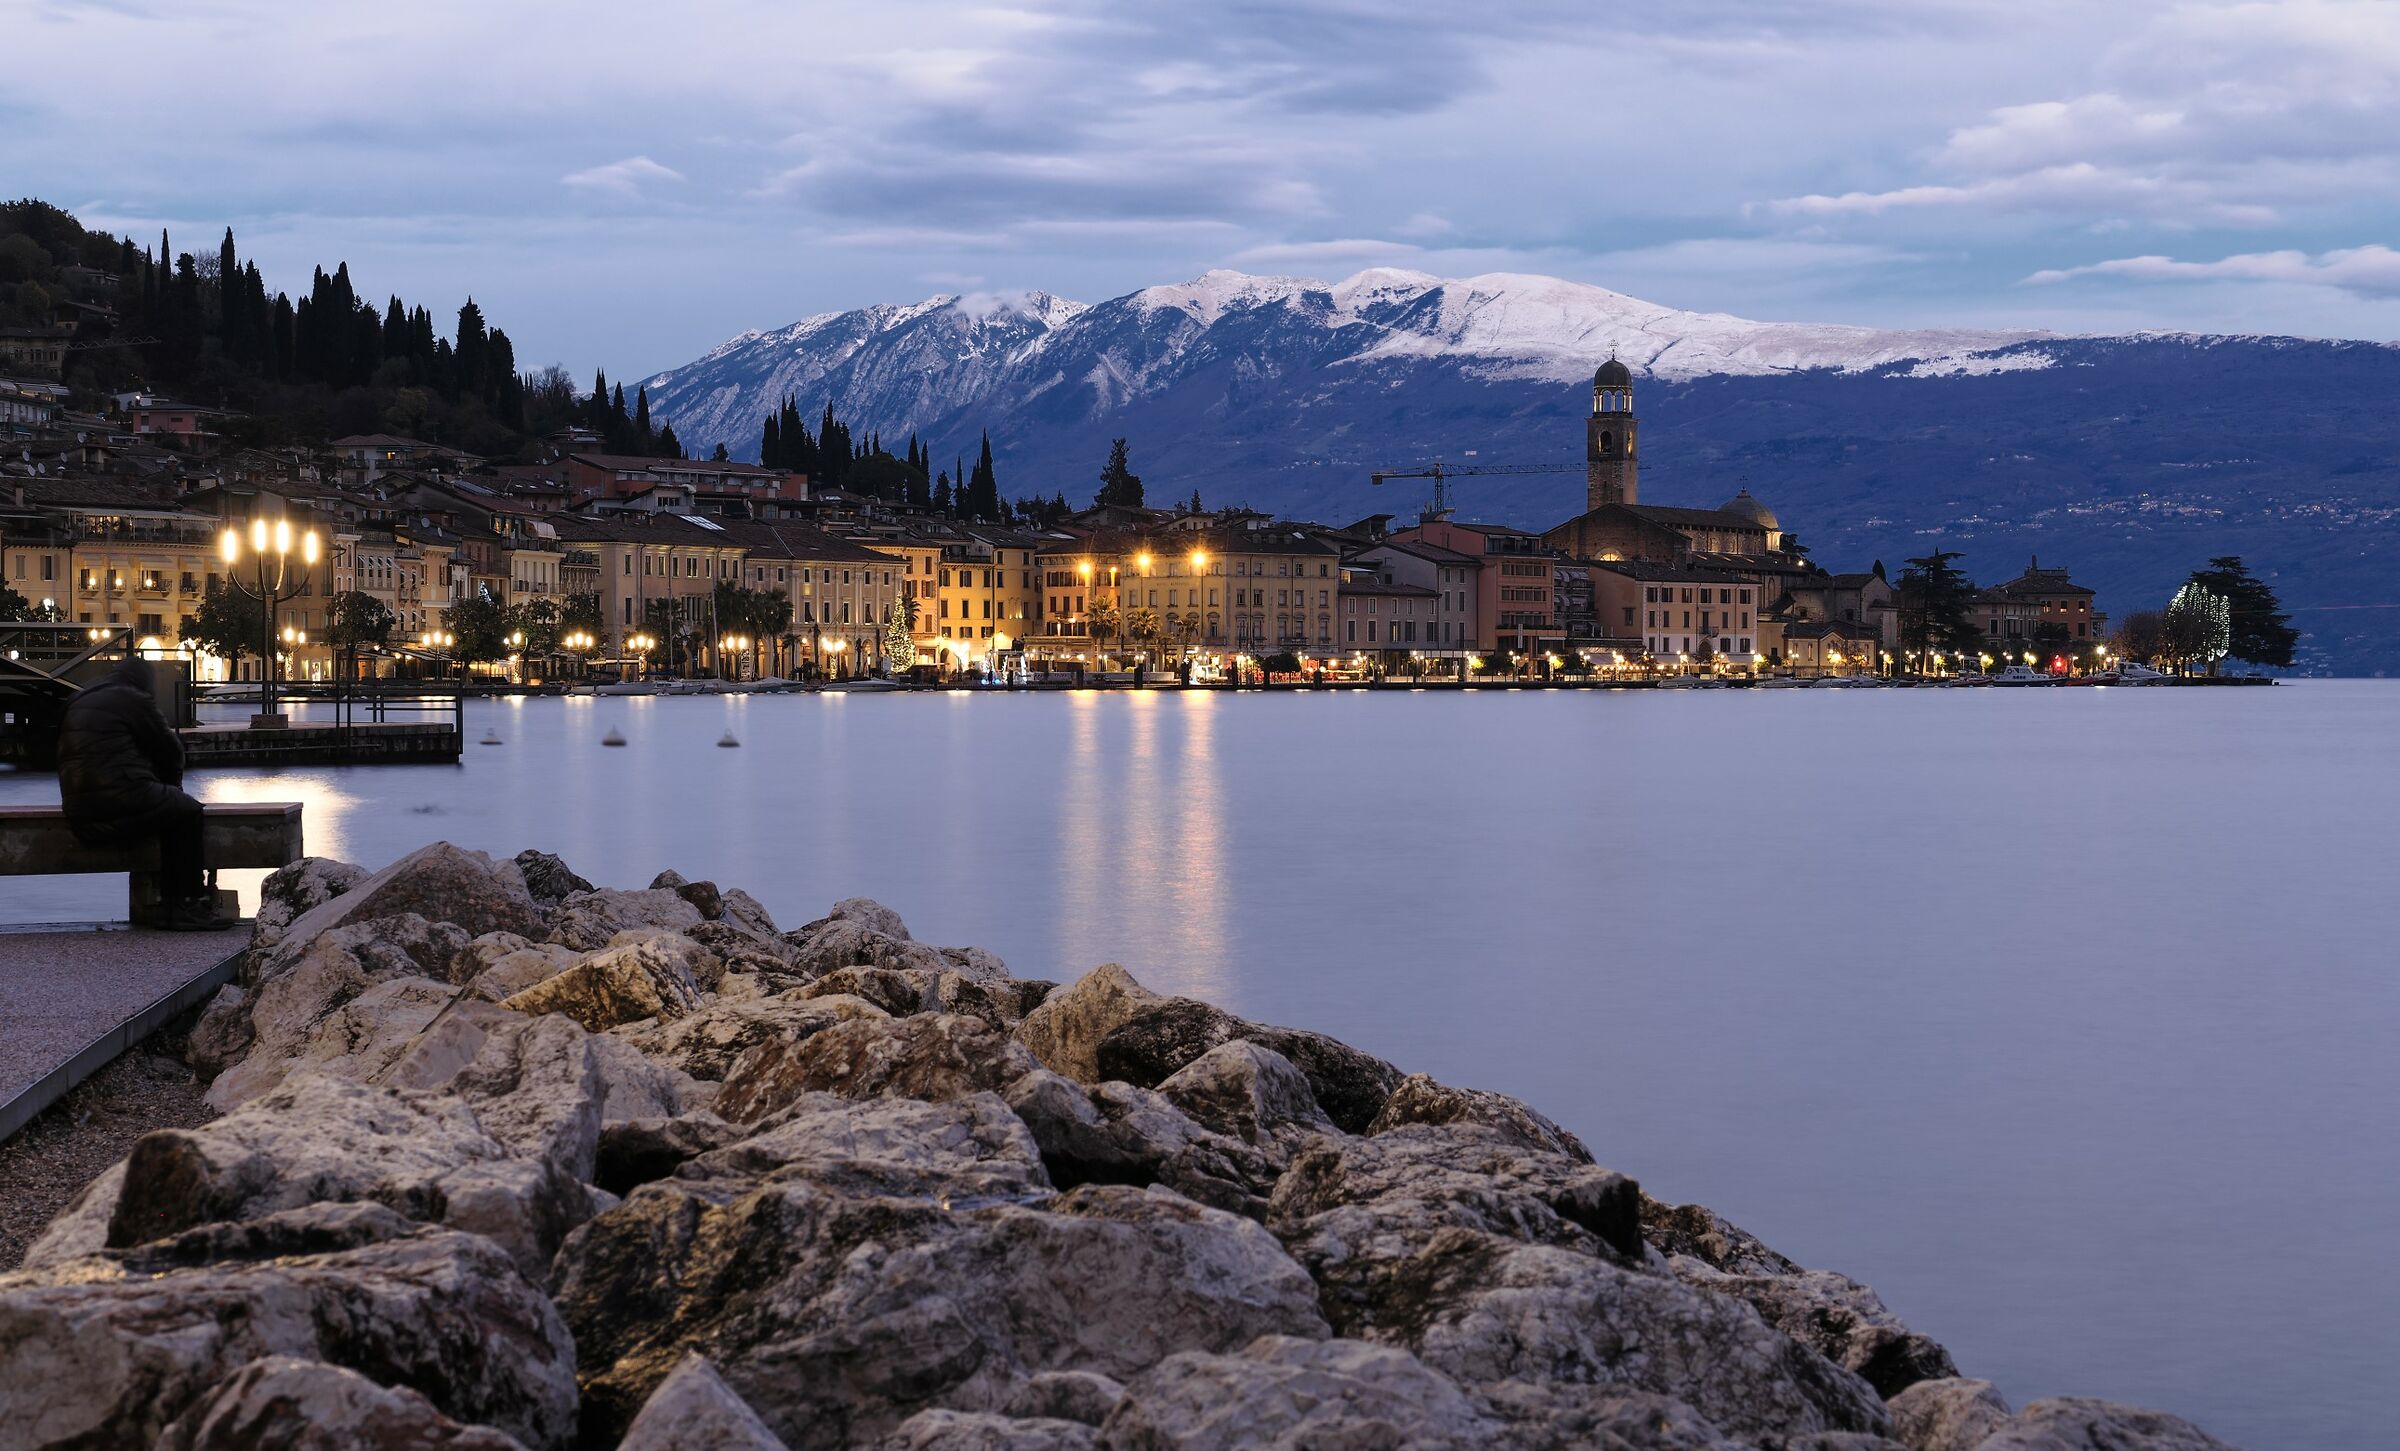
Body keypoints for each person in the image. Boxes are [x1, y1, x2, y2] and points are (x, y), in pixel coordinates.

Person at [57, 659, 229, 931]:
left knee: (169, 807)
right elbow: (170, 751)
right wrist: (173, 789)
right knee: (187, 811)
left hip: (78, 810)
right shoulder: (133, 699)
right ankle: (185, 904)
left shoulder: (79, 698)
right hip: (119, 799)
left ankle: (168, 906)